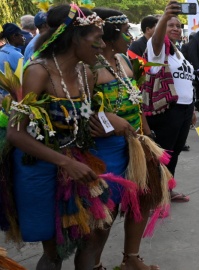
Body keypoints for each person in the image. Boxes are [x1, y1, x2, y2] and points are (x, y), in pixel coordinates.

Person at [2, 4, 124, 269]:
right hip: (39, 166)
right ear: (74, 37)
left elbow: (88, 116)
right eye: (97, 39)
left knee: (93, 238)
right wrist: (66, 163)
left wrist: (110, 125)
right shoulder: (38, 71)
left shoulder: (87, 74)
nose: (102, 46)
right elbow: (15, 133)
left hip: (79, 163)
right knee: (53, 252)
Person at [90, 8, 173, 270]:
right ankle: (93, 264)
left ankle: (131, 258)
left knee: (143, 197)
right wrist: (109, 124)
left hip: (137, 142)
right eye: (126, 32)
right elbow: (85, 113)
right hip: (107, 148)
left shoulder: (124, 60)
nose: (130, 37)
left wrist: (146, 133)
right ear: (110, 35)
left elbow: (137, 103)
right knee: (107, 212)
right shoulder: (89, 67)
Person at [146, 1, 196, 201]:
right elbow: (157, 40)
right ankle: (155, 196)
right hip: (168, 110)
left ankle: (167, 190)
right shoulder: (157, 50)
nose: (175, 28)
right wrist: (165, 16)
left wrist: (192, 110)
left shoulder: (179, 53)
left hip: (184, 109)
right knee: (163, 156)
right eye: (170, 25)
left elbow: (187, 83)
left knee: (173, 154)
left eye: (178, 25)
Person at [0, 23, 25, 100]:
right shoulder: (17, 56)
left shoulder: (2, 51)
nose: (24, 38)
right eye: (21, 35)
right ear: (14, 36)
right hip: (14, 99)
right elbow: (25, 77)